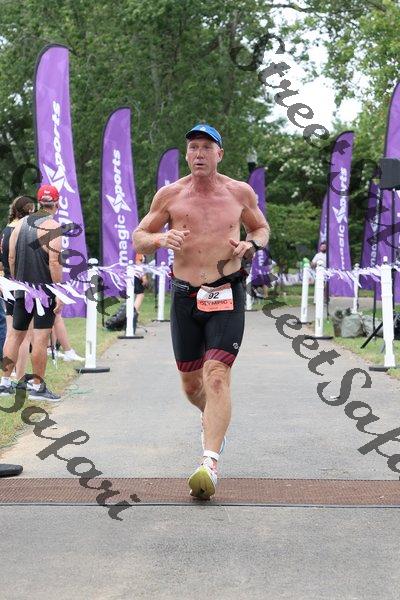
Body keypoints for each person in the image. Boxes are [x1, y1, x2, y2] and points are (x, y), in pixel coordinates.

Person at [133, 123, 269, 499]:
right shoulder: (170, 195)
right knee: (192, 385)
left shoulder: (239, 192)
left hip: (226, 292)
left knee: (217, 376)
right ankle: (212, 420)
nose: (199, 154)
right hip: (184, 297)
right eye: (193, 147)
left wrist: (252, 246)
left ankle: (209, 463)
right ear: (187, 153)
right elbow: (139, 237)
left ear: (219, 154)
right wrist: (161, 238)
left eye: (207, 147)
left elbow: (260, 228)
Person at [0, 184, 63, 401]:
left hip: (21, 288)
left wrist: (17, 281)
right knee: (40, 337)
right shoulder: (53, 227)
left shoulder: (20, 224)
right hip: (43, 290)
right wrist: (59, 291)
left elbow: (10, 257)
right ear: (56, 203)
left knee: (15, 335)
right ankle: (38, 387)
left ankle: (4, 383)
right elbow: (54, 262)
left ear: (38, 202)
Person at [0, 196, 35, 382]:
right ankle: (20, 375)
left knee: (11, 333)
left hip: (6, 282)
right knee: (24, 335)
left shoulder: (6, 230)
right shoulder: (24, 230)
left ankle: (7, 375)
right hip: (20, 284)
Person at [133, 253, 148, 333]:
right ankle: (134, 313)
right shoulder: (139, 252)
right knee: (140, 295)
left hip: (133, 275)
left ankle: (133, 313)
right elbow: (138, 264)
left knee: (134, 295)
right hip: (136, 276)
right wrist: (144, 277)